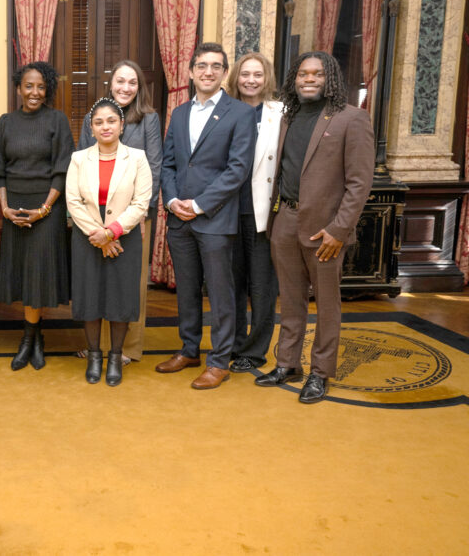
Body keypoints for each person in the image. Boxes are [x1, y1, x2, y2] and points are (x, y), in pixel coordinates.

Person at [255, 52, 373, 403]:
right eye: (303, 74)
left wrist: (339, 230)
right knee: (290, 300)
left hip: (325, 230)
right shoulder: (288, 117)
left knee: (326, 304)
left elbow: (359, 183)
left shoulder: (351, 119)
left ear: (330, 78)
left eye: (317, 74)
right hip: (286, 222)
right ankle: (288, 363)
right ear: (294, 79)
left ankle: (321, 373)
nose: (309, 79)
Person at [156, 42, 255, 389]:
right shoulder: (179, 114)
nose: (207, 71)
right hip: (178, 218)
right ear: (191, 72)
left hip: (214, 219)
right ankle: (189, 349)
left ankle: (219, 361)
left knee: (220, 292)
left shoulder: (240, 114)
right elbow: (168, 164)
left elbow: (237, 170)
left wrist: (197, 205)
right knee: (186, 289)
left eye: (215, 66)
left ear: (225, 73)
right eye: (201, 65)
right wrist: (172, 202)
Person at [76, 59, 162, 367]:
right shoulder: (94, 117)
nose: (125, 88)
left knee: (130, 284)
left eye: (132, 83)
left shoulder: (148, 119)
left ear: (139, 88)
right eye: (120, 81)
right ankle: (97, 347)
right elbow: (82, 165)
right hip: (95, 220)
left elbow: (155, 166)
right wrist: (97, 226)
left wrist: (133, 220)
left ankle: (129, 348)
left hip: (134, 219)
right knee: (97, 281)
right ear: (110, 85)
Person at [65, 99, 152, 385]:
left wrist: (112, 232)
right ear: (91, 128)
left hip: (124, 239)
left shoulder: (137, 158)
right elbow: (73, 202)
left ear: (121, 125)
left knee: (120, 297)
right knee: (89, 298)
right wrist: (99, 235)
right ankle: (93, 355)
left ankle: (115, 357)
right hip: (87, 237)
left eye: (111, 121)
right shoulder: (79, 159)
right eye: (99, 122)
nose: (105, 126)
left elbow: (141, 203)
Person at [0, 61, 73, 370]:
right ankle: (32, 337)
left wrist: (43, 210)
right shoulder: (5, 122)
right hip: (14, 209)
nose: (35, 92)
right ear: (18, 88)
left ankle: (32, 338)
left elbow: (62, 170)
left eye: (41, 86)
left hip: (47, 208)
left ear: (47, 89)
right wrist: (4, 208)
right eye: (29, 85)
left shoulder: (57, 120)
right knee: (23, 276)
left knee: (39, 275)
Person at [223, 52, 284, 374]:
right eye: (245, 74)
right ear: (236, 77)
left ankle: (255, 352)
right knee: (231, 286)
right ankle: (232, 344)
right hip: (226, 212)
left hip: (263, 214)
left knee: (262, 287)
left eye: (257, 74)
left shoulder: (280, 113)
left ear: (266, 78)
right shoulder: (224, 110)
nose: (250, 80)